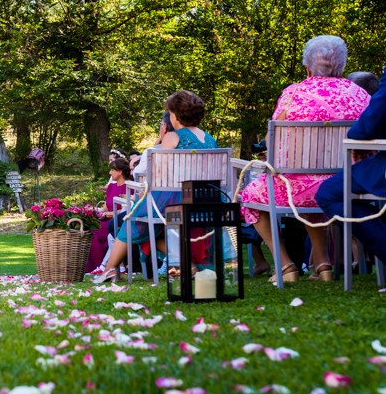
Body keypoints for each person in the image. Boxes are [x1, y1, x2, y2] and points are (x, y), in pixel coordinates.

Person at [240, 35, 370, 283]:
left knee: (250, 194)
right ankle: (322, 265)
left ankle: (286, 265)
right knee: (313, 185)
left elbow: (272, 142)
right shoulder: (359, 95)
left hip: (297, 189)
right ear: (341, 66)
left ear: (308, 67)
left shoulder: (293, 94)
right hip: (347, 185)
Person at [94, 91, 218, 284]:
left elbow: (156, 171)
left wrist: (160, 142)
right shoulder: (209, 139)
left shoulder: (173, 137)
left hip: (174, 198)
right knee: (148, 229)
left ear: (174, 115)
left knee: (132, 221)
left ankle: (109, 269)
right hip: (206, 199)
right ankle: (191, 266)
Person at [316, 69, 386, 266]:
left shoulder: (292, 94)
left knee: (329, 193)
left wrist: (356, 137)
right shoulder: (357, 95)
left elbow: (379, 111)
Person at [86, 157, 132, 274]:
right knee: (89, 229)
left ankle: (102, 266)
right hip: (106, 218)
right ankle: (93, 267)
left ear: (120, 172)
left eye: (112, 170)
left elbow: (126, 210)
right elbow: (106, 207)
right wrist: (95, 210)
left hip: (118, 220)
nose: (110, 173)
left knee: (96, 232)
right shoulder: (111, 186)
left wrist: (107, 215)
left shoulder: (129, 187)